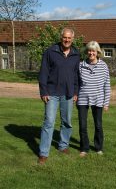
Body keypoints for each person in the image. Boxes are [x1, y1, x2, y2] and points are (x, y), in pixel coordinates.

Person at [38, 28, 80, 164]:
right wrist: (43, 91)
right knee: (49, 122)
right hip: (52, 93)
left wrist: (75, 92)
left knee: (67, 122)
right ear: (61, 37)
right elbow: (43, 72)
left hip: (68, 93)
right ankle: (43, 153)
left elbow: (76, 76)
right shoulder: (50, 52)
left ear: (72, 39)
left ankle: (63, 146)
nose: (67, 40)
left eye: (69, 38)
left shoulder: (76, 54)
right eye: (64, 37)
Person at [77, 41, 111, 157]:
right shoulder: (80, 65)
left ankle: (98, 147)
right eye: (89, 50)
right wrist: (75, 95)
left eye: (93, 51)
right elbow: (76, 83)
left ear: (98, 52)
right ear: (87, 52)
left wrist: (106, 103)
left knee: (98, 125)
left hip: (98, 99)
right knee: (82, 125)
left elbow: (107, 85)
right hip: (82, 98)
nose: (91, 53)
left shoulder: (104, 66)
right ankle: (84, 148)